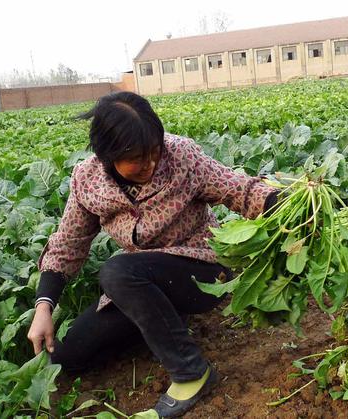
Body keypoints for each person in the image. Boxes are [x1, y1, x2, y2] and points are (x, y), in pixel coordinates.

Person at [26, 91, 278, 418]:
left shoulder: (182, 158)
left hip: (201, 272)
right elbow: (68, 243)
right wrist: (44, 306)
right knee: (68, 356)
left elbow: (235, 188)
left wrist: (281, 203)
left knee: (117, 272)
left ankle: (191, 373)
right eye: (137, 158)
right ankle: (158, 324)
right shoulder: (87, 181)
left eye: (154, 152)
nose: (150, 164)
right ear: (107, 155)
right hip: (140, 284)